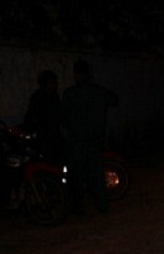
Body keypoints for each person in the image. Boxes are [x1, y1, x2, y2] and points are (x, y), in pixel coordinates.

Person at [63, 60, 119, 214]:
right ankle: (101, 204)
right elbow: (115, 99)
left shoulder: (70, 94)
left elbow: (64, 117)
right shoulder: (99, 92)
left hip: (77, 141)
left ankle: (78, 207)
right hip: (95, 140)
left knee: (77, 175)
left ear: (76, 74)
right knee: (95, 173)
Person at [24, 69, 65, 165]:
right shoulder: (38, 97)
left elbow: (59, 114)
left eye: (55, 82)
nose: (55, 84)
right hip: (43, 137)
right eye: (52, 82)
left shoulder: (54, 96)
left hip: (54, 136)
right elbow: (30, 117)